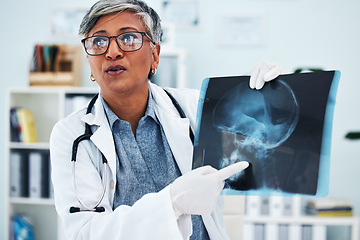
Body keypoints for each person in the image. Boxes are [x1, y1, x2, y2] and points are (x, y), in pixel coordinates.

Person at [49, 0, 284, 239]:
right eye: (98, 41)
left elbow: (260, 156)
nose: (112, 52)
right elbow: (86, 233)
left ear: (155, 55)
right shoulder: (71, 136)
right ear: (89, 61)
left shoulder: (195, 108)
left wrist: (273, 97)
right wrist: (172, 203)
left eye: (128, 38)